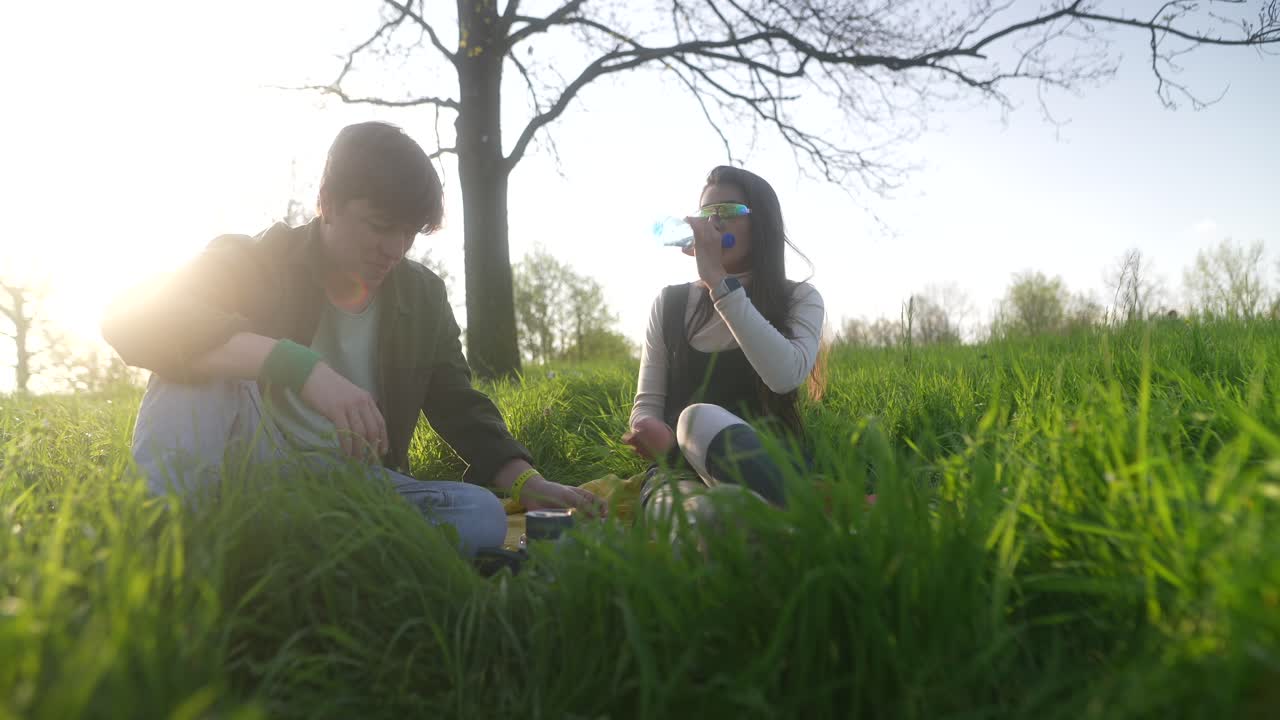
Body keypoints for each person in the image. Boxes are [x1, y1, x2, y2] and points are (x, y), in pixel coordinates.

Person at [102, 121, 602, 556]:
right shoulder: (259, 259)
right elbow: (132, 319)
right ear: (327, 204)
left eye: (409, 233)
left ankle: (267, 541)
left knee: (482, 517)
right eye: (380, 226)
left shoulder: (423, 296)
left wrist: (526, 482)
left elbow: (458, 402)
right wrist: (297, 366)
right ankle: (160, 540)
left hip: (351, 484)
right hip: (247, 464)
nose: (395, 249)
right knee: (193, 363)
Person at [622, 166, 825, 522]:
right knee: (691, 518)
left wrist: (717, 280)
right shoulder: (669, 304)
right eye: (705, 214)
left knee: (696, 419)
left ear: (762, 224)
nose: (714, 224)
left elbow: (785, 375)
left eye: (729, 212)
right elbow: (646, 406)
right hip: (679, 471)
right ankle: (768, 533)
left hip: (768, 466)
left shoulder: (800, 298)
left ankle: (793, 514)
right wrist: (649, 431)